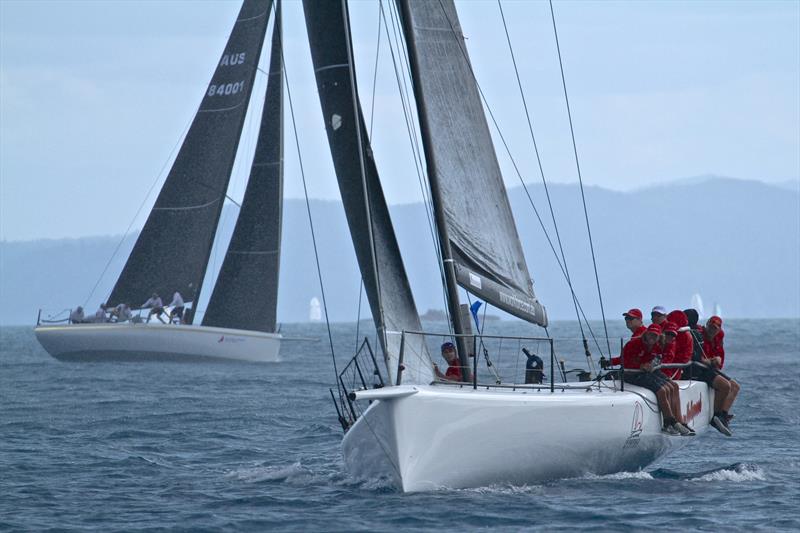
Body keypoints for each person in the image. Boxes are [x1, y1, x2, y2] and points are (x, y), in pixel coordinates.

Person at [619, 324, 693, 436]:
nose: (652, 338)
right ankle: (669, 422)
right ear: (646, 334)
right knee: (662, 390)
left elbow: (657, 359)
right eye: (650, 335)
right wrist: (640, 365)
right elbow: (624, 361)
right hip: (632, 374)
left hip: (648, 372)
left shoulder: (658, 345)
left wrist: (650, 365)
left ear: (659, 337)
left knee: (673, 386)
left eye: (655, 336)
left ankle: (679, 421)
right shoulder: (633, 344)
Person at [683, 310, 737, 436]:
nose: (712, 330)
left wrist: (716, 360)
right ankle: (716, 416)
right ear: (707, 325)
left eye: (715, 328)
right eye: (711, 327)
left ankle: (723, 415)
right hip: (701, 369)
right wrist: (707, 361)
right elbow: (695, 356)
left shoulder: (719, 337)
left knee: (735, 386)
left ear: (719, 329)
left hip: (709, 367)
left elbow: (720, 360)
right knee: (725, 386)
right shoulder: (699, 334)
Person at [666, 310, 693, 380]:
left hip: (672, 371)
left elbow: (684, 358)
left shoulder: (685, 337)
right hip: (665, 368)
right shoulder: (687, 335)